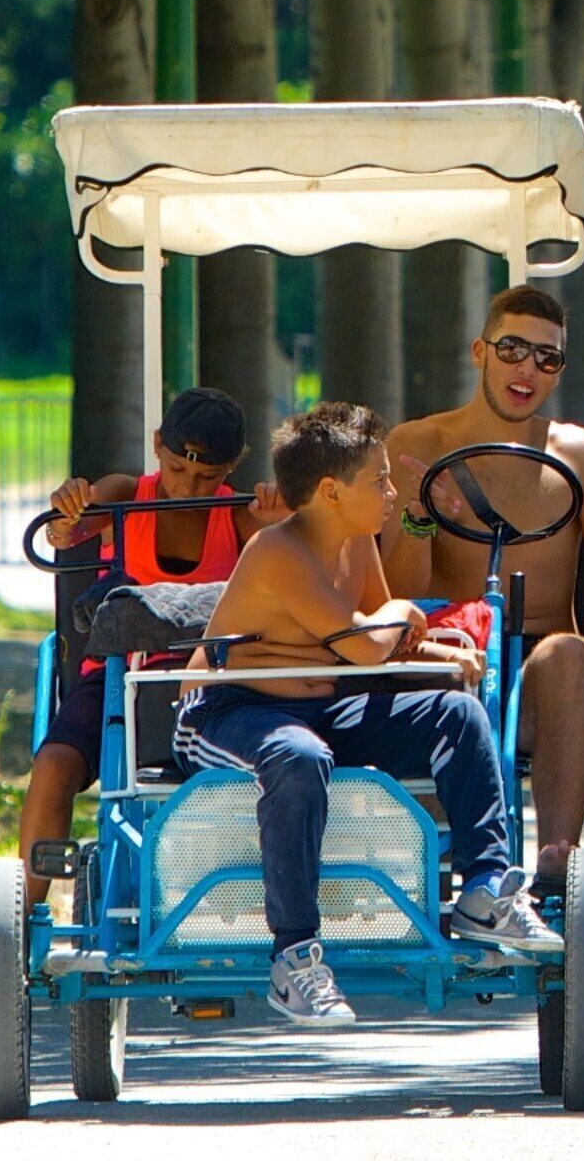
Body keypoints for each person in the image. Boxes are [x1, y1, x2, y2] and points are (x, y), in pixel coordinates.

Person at [177, 402, 558, 1025]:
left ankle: (484, 891)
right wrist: (403, 613)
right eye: (379, 480)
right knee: (298, 755)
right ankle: (294, 956)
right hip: (229, 712)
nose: (391, 492)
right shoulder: (277, 549)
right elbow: (366, 640)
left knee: (458, 714)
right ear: (330, 491)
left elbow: (386, 643)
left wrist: (441, 649)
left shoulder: (356, 543)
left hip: (320, 707)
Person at [383, 282, 584, 892]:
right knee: (432, 675)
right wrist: (420, 518)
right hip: (445, 653)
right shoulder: (417, 444)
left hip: (542, 675)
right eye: (512, 350)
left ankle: (558, 867)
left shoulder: (579, 453)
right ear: (480, 352)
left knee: (573, 653)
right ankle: (440, 870)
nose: (527, 368)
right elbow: (396, 594)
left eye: (547, 358)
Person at [17, 387, 275, 871]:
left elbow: (291, 562)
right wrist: (65, 514)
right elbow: (66, 534)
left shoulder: (242, 513)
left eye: (207, 476)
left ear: (234, 465)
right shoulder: (125, 494)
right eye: (177, 468)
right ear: (157, 444)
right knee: (52, 764)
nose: (188, 486)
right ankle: (28, 907)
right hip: (118, 675)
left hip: (212, 682)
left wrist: (281, 520)